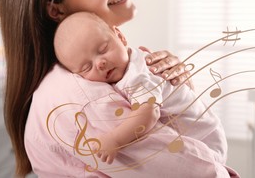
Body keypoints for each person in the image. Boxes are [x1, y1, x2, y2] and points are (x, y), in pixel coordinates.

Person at [0, 0, 239, 177]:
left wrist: (177, 93)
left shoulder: (105, 74)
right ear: (56, 9)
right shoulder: (85, 100)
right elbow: (198, 172)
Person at [53, 11, 228, 165]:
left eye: (103, 49)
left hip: (206, 138)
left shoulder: (135, 76)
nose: (100, 63)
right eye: (86, 67)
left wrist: (114, 139)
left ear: (120, 37)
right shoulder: (129, 60)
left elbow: (148, 112)